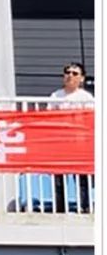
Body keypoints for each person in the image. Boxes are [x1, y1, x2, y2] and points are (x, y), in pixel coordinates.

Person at [47, 62, 93, 213]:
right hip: (59, 141)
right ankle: (60, 208)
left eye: (74, 73)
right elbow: (49, 116)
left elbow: (90, 119)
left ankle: (84, 206)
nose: (70, 76)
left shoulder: (86, 97)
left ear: (82, 79)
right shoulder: (56, 95)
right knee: (58, 178)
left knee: (81, 177)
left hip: (79, 141)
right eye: (67, 72)